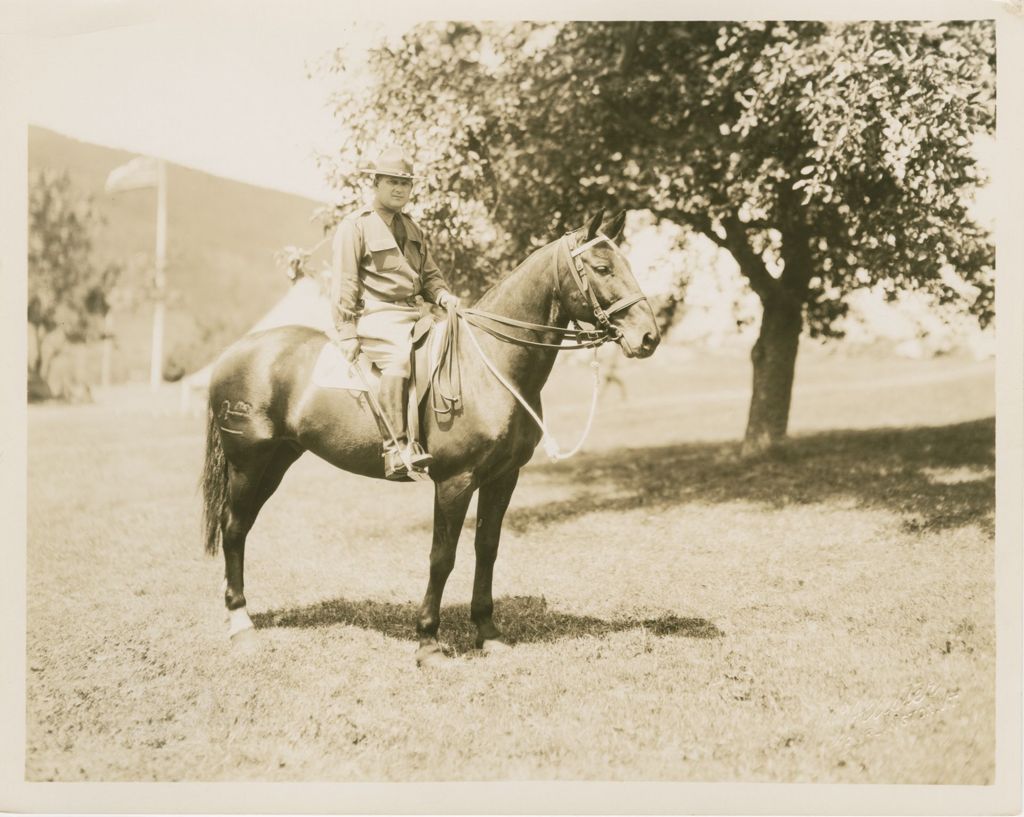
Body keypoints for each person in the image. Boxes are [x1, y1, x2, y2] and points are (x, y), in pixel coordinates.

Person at [331, 146, 459, 480]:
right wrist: (346, 331)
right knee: (400, 357)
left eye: (406, 184)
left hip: (416, 314)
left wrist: (443, 295)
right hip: (379, 316)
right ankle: (396, 448)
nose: (401, 189)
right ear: (375, 183)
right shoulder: (355, 226)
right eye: (392, 182)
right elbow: (345, 280)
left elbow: (428, 274)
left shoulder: (413, 229)